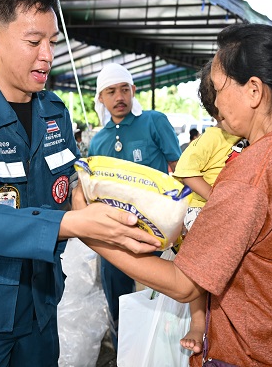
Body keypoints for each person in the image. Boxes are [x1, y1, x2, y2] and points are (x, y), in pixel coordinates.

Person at [0, 0, 160, 367]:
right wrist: (73, 224)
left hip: (41, 303)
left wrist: (121, 220)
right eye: (34, 41)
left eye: (52, 41)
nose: (48, 55)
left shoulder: (54, 112)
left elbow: (71, 186)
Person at [83, 23, 272, 366]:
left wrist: (91, 232)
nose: (213, 100)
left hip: (245, 350)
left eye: (218, 87)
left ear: (254, 91)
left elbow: (184, 284)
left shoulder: (251, 174)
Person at [88, 62, 182, 348]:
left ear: (133, 90)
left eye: (124, 89)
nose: (120, 97)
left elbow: (179, 169)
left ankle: (160, 351)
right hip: (114, 235)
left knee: (159, 301)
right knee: (118, 298)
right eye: (111, 92)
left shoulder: (154, 122)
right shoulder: (98, 141)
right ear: (100, 98)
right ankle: (124, 352)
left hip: (155, 233)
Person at [172, 60, 247, 354]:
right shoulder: (214, 137)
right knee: (198, 271)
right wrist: (215, 197)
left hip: (220, 210)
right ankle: (198, 323)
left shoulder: (243, 136)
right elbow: (184, 170)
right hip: (199, 210)